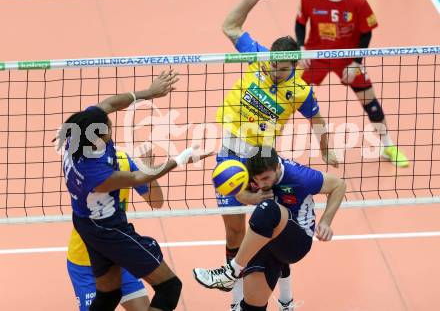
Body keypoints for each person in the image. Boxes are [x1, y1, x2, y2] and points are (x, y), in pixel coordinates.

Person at [217, 0, 338, 310]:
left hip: (262, 161)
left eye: (282, 69)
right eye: (272, 64)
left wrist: (326, 147)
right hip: (229, 154)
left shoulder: (299, 90)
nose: (273, 71)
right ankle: (235, 300)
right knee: (234, 233)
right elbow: (230, 25)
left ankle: (285, 300)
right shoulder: (258, 58)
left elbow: (317, 119)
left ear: (294, 66)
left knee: (270, 229)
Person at [56, 69, 213, 311]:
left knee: (109, 295)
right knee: (170, 288)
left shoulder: (78, 136)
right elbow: (140, 176)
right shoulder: (96, 174)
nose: (110, 122)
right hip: (107, 229)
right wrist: (181, 158)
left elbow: (108, 104)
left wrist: (148, 93)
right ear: (98, 138)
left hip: (86, 223)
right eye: (108, 125)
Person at [193, 146, 346, 310]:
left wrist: (325, 222)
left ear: (278, 167)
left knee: (268, 208)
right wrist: (253, 197)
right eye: (257, 180)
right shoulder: (250, 171)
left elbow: (339, 185)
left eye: (266, 178)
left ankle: (230, 272)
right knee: (251, 306)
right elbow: (239, 193)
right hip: (270, 241)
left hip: (297, 242)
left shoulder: (301, 177)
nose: (261, 183)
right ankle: (280, 301)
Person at [295, 0, 409, 167]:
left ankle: (388, 146)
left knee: (370, 102)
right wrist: (302, 49)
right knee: (285, 95)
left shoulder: (358, 1)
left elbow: (367, 32)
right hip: (316, 55)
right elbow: (300, 23)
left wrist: (356, 62)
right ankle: (267, 147)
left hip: (348, 57)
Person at [66, 149, 163, 311]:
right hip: (85, 262)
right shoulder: (82, 168)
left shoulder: (123, 161)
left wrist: (149, 173)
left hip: (118, 255)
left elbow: (156, 202)